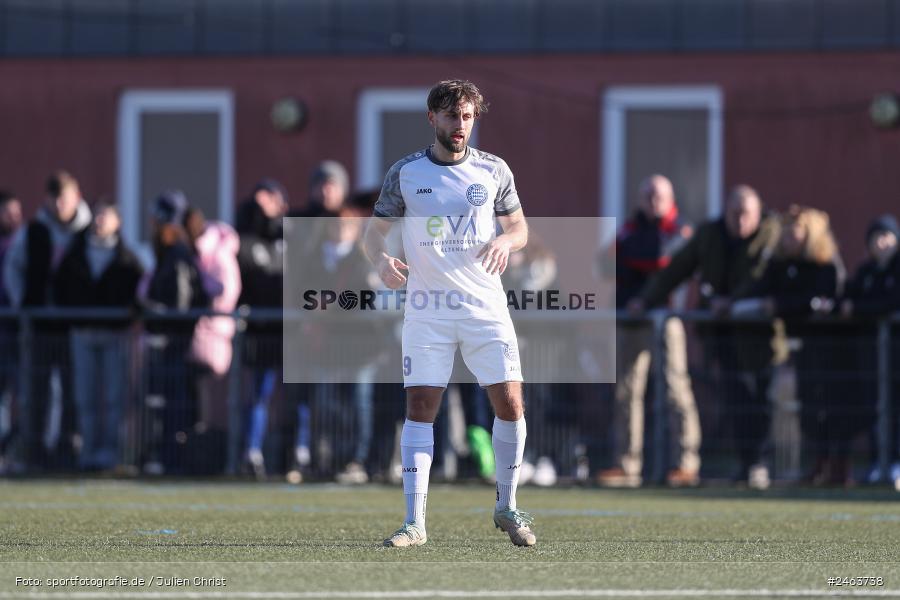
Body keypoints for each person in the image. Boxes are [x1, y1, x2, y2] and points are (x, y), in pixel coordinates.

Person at [364, 79, 535, 547]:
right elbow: (372, 234)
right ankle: (414, 523)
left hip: (485, 308)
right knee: (421, 408)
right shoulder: (406, 172)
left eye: (466, 117)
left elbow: (519, 227)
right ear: (432, 119)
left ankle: (507, 505)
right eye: (450, 116)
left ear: (473, 120)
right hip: (427, 311)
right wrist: (381, 260)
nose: (458, 126)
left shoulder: (494, 171)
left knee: (511, 403)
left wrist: (506, 239)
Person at [636, 185, 781, 488]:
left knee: (762, 402)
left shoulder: (772, 235)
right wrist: (646, 299)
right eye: (734, 214)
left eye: (746, 215)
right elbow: (677, 269)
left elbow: (762, 278)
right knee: (735, 399)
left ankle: (760, 463)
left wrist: (733, 303)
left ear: (757, 214)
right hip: (723, 337)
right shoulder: (709, 235)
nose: (740, 221)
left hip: (761, 338)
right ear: (725, 211)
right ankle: (745, 464)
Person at [595, 175, 701, 488]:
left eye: (659, 195)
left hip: (666, 320)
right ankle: (626, 464)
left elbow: (661, 259)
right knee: (627, 391)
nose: (653, 201)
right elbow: (604, 264)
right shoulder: (629, 229)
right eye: (648, 195)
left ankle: (686, 463)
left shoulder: (680, 229)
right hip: (632, 321)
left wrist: (634, 272)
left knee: (676, 389)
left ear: (670, 199)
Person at [740, 206, 846, 484]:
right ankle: (817, 463)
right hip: (799, 345)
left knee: (834, 406)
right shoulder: (780, 264)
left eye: (794, 234)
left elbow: (820, 301)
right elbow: (761, 290)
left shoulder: (825, 264)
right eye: (785, 234)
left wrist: (782, 305)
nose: (787, 240)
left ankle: (838, 466)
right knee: (808, 407)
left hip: (830, 347)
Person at [3, 171, 92, 469]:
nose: (58, 205)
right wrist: (23, 303)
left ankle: (69, 449)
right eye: (53, 198)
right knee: (36, 391)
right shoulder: (34, 231)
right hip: (40, 326)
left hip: (75, 327)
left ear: (76, 198)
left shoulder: (88, 233)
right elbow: (13, 269)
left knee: (73, 391)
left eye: (63, 198)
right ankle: (35, 452)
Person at [53, 203, 143, 471]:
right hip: (82, 332)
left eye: (107, 215)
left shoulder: (127, 258)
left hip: (115, 334)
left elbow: (137, 292)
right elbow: (61, 288)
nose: (100, 220)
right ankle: (88, 452)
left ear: (118, 222)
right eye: (98, 214)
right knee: (86, 396)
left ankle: (111, 453)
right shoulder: (76, 254)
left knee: (116, 396)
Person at [138, 190, 209, 474]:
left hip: (175, 343)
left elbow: (178, 306)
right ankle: (168, 456)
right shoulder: (172, 252)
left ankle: (173, 459)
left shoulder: (176, 253)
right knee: (169, 403)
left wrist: (154, 311)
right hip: (172, 342)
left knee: (174, 406)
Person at [234, 179, 289, 480]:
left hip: (293, 331)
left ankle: (298, 454)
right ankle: (251, 452)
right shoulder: (246, 238)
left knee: (298, 398)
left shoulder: (292, 236)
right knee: (259, 393)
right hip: (260, 331)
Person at [840, 215, 900, 488]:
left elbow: (889, 303)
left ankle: (896, 462)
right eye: (876, 237)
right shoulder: (865, 272)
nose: (882, 242)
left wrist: (861, 308)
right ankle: (879, 462)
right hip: (871, 356)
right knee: (876, 410)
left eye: (887, 236)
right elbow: (847, 296)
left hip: (895, 355)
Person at [0, 190, 23, 470]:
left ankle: (14, 450)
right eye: (7, 212)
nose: (13, 218)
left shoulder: (22, 241)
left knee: (23, 394)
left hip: (18, 331)